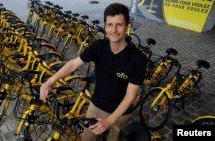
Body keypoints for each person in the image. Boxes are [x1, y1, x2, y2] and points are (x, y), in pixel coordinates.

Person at [40, 3, 147, 141]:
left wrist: (108, 121)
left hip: (120, 114)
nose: (114, 30)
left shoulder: (138, 58)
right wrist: (49, 82)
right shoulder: (98, 47)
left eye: (119, 24)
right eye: (110, 24)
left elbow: (130, 96)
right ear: (105, 27)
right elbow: (73, 64)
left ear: (127, 26)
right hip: (95, 107)